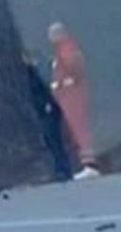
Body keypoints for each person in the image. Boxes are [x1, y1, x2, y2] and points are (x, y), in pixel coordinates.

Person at [48, 22, 101, 179]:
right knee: (76, 129)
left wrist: (60, 85)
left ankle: (90, 165)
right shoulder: (63, 49)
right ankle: (85, 163)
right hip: (68, 96)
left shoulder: (67, 49)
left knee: (79, 128)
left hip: (72, 96)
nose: (50, 37)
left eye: (52, 34)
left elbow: (74, 71)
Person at [23, 50, 73, 181]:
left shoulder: (40, 71)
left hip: (49, 109)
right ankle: (62, 168)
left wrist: (48, 104)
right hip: (45, 109)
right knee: (52, 140)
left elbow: (44, 90)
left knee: (55, 139)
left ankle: (64, 169)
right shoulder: (33, 72)